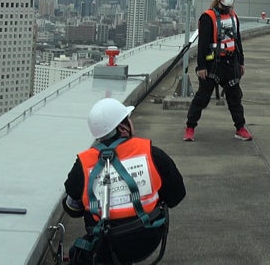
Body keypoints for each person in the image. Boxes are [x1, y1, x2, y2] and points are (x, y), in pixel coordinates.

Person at [63, 97, 186, 264]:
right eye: (128, 119)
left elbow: (72, 208)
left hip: (104, 245)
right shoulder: (151, 153)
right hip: (147, 238)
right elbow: (176, 195)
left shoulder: (83, 165)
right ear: (122, 128)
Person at [184, 0, 253, 141]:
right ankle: (190, 127)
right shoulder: (208, 17)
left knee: (235, 97)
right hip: (213, 65)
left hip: (231, 63)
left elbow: (237, 41)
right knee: (202, 97)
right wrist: (201, 66)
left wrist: (241, 62)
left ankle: (240, 128)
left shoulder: (233, 17)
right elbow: (202, 44)